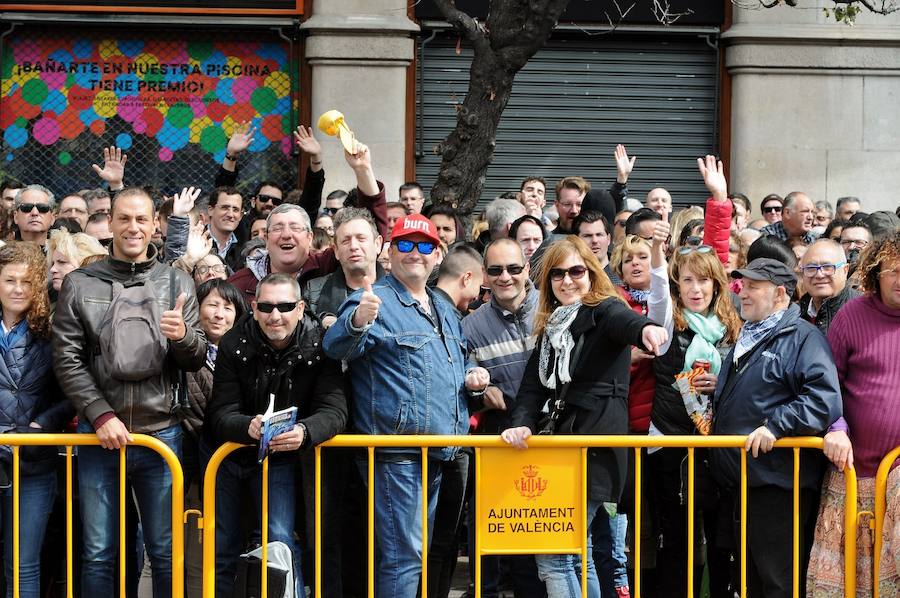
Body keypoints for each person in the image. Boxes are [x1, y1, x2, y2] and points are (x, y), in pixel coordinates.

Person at [52, 187, 207, 598]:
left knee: (166, 551)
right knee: (99, 552)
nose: (133, 227)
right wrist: (100, 415)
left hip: (163, 437)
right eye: (124, 219)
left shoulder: (177, 280)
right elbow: (67, 359)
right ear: (111, 223)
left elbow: (195, 359)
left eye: (141, 219)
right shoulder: (79, 283)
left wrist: (183, 337)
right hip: (100, 437)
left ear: (156, 223)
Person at [324, 213, 489, 598]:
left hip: (438, 452)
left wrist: (472, 374)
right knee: (403, 558)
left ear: (437, 255)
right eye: (406, 244)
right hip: (396, 455)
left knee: (415, 555)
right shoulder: (374, 299)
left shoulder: (443, 307)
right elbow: (335, 345)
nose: (415, 253)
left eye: (424, 245)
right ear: (389, 252)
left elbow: (457, 360)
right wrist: (358, 321)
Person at [501, 235, 667, 598]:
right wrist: (521, 423)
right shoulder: (553, 328)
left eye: (576, 271)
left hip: (594, 447)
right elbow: (532, 389)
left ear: (591, 273)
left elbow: (624, 319)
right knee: (578, 555)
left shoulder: (603, 309)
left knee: (554, 556)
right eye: (557, 274)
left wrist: (645, 329)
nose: (567, 280)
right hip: (564, 449)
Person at [205, 273, 347, 598]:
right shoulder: (233, 342)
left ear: (299, 308)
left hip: (281, 457)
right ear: (253, 307)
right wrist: (246, 426)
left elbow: (335, 409)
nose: (275, 315)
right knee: (222, 549)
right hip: (228, 457)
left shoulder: (321, 344)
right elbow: (221, 411)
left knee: (279, 542)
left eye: (284, 306)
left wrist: (305, 432)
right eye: (267, 306)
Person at [712, 258, 842, 598]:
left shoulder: (803, 337)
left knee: (778, 583)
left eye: (754, 286)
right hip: (743, 481)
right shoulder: (749, 334)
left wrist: (776, 426)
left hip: (778, 483)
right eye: (742, 285)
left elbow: (823, 398)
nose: (744, 293)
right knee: (749, 582)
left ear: (781, 294)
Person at [645, 208, 742, 598]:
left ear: (716, 284)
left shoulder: (733, 324)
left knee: (722, 540)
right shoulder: (668, 320)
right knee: (678, 540)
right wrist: (655, 247)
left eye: (703, 280)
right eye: (687, 280)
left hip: (718, 449)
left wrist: (721, 385)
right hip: (671, 446)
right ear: (677, 285)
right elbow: (654, 287)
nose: (696, 288)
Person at [806, 230, 900, 598]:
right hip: (853, 470)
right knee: (846, 583)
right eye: (894, 270)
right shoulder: (852, 315)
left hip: (898, 473)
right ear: (876, 273)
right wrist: (838, 426)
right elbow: (827, 385)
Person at [463, 237, 546, 598]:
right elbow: (465, 376)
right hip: (499, 435)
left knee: (540, 538)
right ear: (483, 275)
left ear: (527, 269)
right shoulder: (471, 325)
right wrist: (480, 389)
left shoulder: (552, 307)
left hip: (550, 436)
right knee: (493, 531)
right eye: (495, 270)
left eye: (514, 268)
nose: (505, 277)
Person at [0, 242, 73, 598]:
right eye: (9, 280)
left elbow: (70, 394)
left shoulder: (54, 332)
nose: (17, 289)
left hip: (34, 460)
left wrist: (43, 424)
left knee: (23, 562)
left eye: (26, 282)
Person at [228, 140, 387, 299]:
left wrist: (363, 169)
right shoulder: (239, 284)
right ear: (266, 239)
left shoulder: (326, 265)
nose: (286, 234)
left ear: (310, 237)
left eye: (295, 228)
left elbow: (369, 227)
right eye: (277, 228)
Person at [179, 279, 248, 598]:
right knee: (191, 554)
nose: (219, 314)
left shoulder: (243, 354)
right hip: (191, 464)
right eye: (212, 305)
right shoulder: (182, 353)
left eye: (228, 306)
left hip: (233, 468)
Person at [797, 239, 860, 334]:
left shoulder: (863, 310)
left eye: (827, 267)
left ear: (845, 270)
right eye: (811, 268)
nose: (819, 275)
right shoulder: (795, 313)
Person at [46, 229, 107, 294]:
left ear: (87, 263)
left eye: (62, 262)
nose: (52, 269)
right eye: (53, 263)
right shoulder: (45, 299)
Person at [573, 211, 620, 286]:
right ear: (576, 240)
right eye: (587, 236)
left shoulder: (623, 273)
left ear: (608, 239)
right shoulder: (569, 276)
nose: (595, 240)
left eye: (599, 235)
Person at [206, 186, 245, 272]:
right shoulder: (194, 240)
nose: (230, 215)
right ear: (210, 210)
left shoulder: (244, 250)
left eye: (235, 210)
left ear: (241, 216)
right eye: (224, 208)